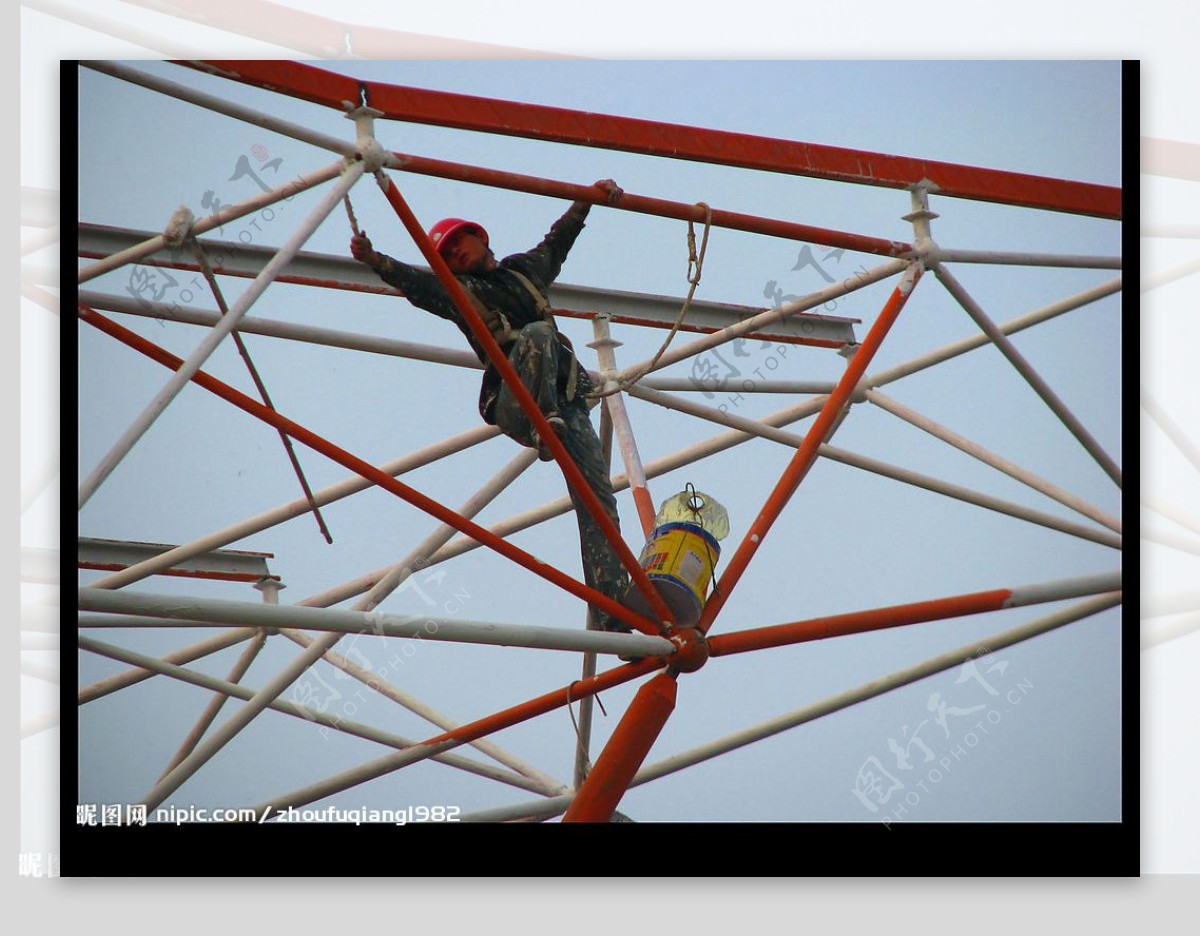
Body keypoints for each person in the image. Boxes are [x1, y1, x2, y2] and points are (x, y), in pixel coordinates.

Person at [350, 180, 631, 633]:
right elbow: (415, 284)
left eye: (460, 242)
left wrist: (586, 201)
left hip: (565, 403)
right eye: (446, 253)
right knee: (539, 335)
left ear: (482, 238)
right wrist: (376, 260)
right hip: (517, 403)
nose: (456, 253)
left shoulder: (525, 272)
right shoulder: (456, 292)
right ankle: (546, 428)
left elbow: (556, 242)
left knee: (598, 501)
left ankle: (612, 612)